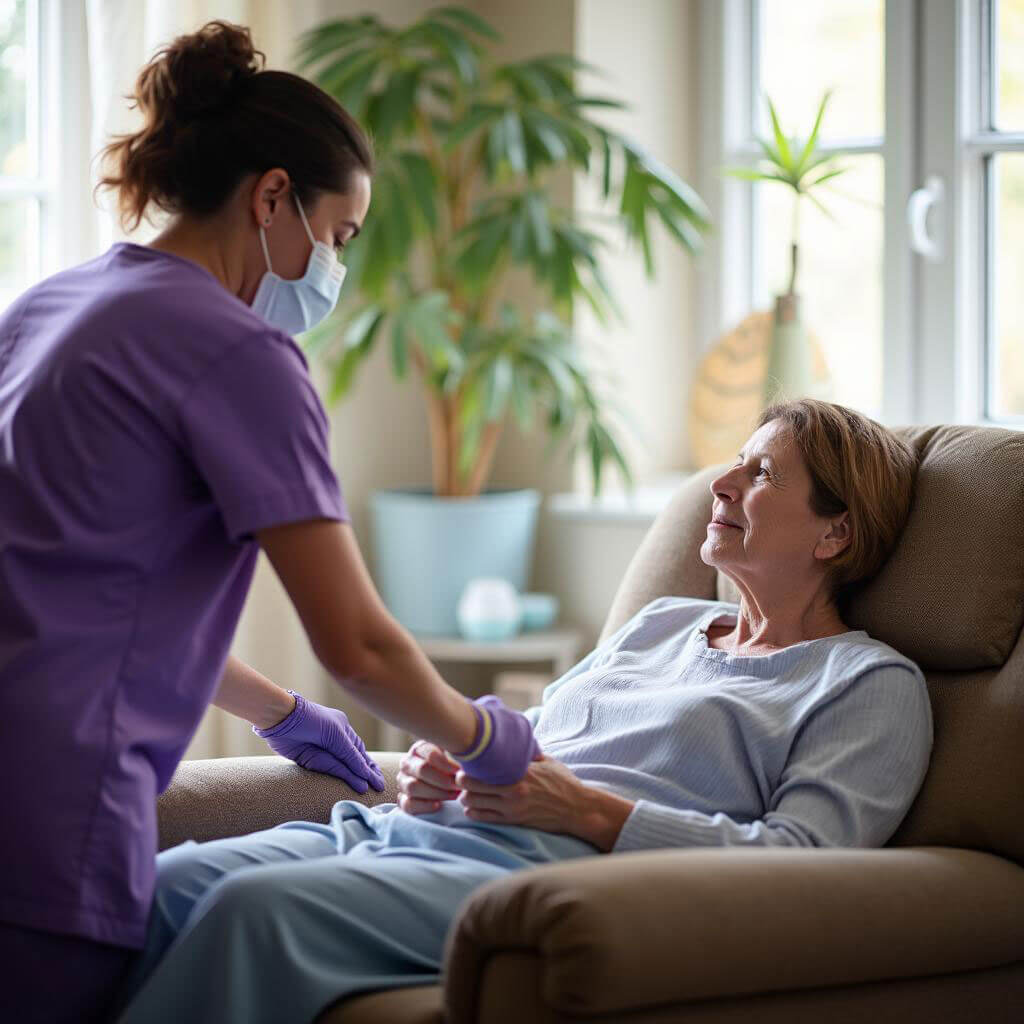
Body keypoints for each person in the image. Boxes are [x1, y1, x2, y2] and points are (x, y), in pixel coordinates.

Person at [0, 21, 536, 1024]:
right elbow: (362, 645)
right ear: (273, 195)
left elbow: (77, 583)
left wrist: (275, 708)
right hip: (47, 811)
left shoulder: (47, 306)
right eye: (337, 236)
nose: (334, 266)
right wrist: (486, 738)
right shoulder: (238, 353)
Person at [111, 399, 934, 1024]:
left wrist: (589, 810)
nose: (720, 481)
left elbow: (811, 862)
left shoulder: (864, 683)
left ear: (835, 535)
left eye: (761, 474)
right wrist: (448, 758)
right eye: (737, 462)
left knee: (250, 915)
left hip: (539, 875)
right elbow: (541, 731)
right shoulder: (665, 623)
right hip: (412, 832)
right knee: (164, 883)